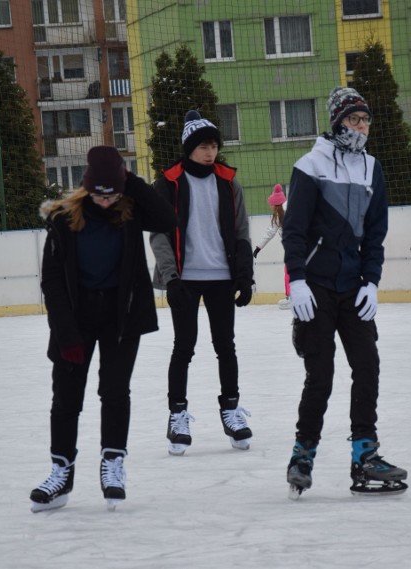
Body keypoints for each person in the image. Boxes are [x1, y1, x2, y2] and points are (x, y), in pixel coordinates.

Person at [30, 146, 177, 513]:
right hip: (76, 320)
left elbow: (167, 220)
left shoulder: (131, 211)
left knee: (114, 392)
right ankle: (61, 472)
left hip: (121, 318)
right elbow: (51, 280)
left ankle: (113, 462)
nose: (106, 201)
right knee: (66, 398)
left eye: (112, 193)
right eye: (99, 193)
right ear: (86, 188)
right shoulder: (63, 220)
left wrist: (130, 182)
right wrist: (66, 335)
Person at [282, 87, 407, 498]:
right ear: (337, 121)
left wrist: (372, 281)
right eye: (353, 119)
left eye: (365, 119)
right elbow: (295, 230)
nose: (361, 126)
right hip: (316, 289)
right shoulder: (310, 165)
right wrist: (296, 279)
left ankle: (364, 454)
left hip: (354, 288)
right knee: (320, 376)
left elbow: (376, 234)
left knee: (367, 367)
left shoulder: (373, 169)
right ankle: (303, 455)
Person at [150, 110, 254, 456]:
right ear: (188, 148)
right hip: (186, 280)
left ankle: (231, 409)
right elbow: (160, 236)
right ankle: (177, 414)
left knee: (226, 345)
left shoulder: (228, 182)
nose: (210, 152)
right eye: (203, 146)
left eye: (213, 145)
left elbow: (240, 232)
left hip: (221, 278)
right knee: (185, 345)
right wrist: (172, 278)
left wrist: (245, 275)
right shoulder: (168, 183)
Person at [253, 183, 291, 309]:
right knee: (288, 271)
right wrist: (259, 247)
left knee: (291, 271)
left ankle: (293, 297)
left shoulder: (290, 210)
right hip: (292, 248)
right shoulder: (278, 217)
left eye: (271, 204)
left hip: (300, 247)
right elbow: (270, 232)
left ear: (276, 204)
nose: (270, 207)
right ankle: (290, 297)